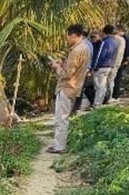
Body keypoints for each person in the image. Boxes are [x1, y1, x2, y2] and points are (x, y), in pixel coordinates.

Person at [48, 24, 91, 154]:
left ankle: (59, 147)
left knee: (61, 119)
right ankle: (58, 145)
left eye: (68, 36)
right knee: (62, 118)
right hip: (73, 87)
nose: (67, 39)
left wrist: (56, 67)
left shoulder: (76, 51)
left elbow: (67, 74)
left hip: (67, 88)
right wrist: (63, 64)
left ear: (73, 35)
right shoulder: (85, 48)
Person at [91, 25, 120, 108]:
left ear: (104, 32)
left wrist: (94, 67)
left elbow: (100, 55)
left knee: (98, 86)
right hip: (109, 66)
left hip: (101, 67)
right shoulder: (114, 42)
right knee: (103, 86)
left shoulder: (104, 42)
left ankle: (97, 104)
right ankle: (100, 102)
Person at [104, 25, 126, 104]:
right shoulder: (121, 40)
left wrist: (114, 63)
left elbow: (117, 53)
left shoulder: (116, 40)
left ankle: (108, 97)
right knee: (110, 80)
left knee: (109, 80)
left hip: (112, 63)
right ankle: (108, 97)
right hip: (115, 63)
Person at [113, 29, 129, 99]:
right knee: (117, 77)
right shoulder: (124, 38)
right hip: (121, 60)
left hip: (122, 60)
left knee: (118, 77)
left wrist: (126, 60)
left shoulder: (126, 38)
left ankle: (116, 93)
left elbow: (128, 50)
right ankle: (115, 93)